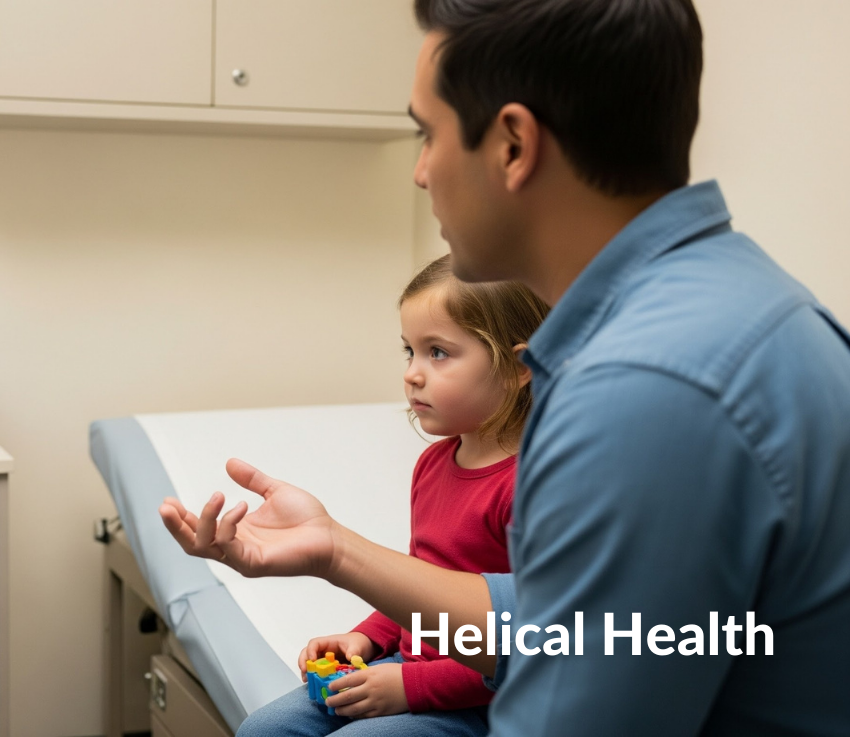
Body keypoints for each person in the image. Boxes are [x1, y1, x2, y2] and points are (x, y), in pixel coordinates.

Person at [161, 0, 850, 734]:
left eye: (428, 134)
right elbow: (584, 620)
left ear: (515, 146)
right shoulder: (739, 304)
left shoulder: (647, 390)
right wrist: (337, 551)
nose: (422, 173)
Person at [238, 255, 547, 737]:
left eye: (438, 353)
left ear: (518, 366)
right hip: (407, 669)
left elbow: (534, 644)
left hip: (484, 699)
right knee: (265, 728)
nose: (412, 374)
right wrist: (364, 638)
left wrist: (409, 687)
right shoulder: (433, 465)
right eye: (410, 351)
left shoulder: (532, 487)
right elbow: (416, 586)